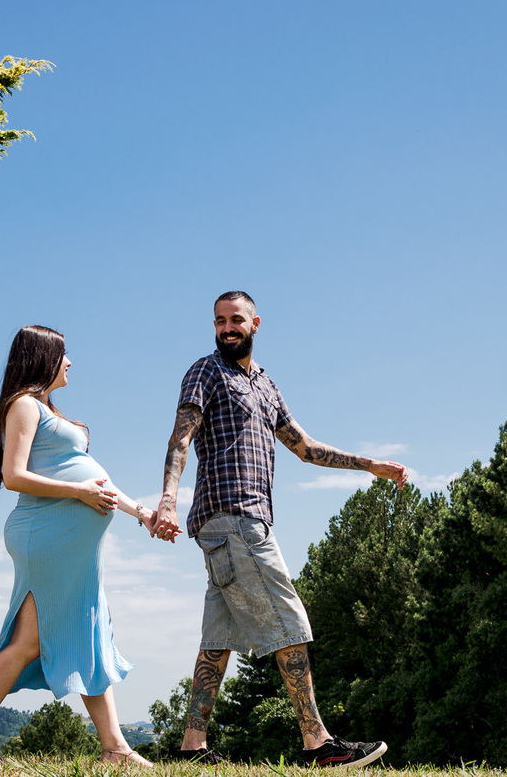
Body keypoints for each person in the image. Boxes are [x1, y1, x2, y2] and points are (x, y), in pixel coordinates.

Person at [152, 291, 408, 768]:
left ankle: (191, 748)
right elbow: (181, 437)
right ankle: (318, 745)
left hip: (237, 526)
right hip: (235, 518)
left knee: (217, 639)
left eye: (236, 319)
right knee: (290, 624)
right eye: (219, 321)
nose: (227, 328)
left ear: (255, 324)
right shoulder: (206, 372)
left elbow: (305, 447)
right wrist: (168, 497)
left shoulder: (266, 386)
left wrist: (368, 464)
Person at [0, 325, 176, 766]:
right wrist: (79, 493)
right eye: (63, 354)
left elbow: (97, 480)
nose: (70, 362)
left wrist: (143, 514)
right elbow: (14, 475)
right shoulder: (24, 405)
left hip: (73, 546)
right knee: (28, 640)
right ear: (42, 358)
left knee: (89, 636)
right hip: (45, 534)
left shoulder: (49, 411)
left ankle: (115, 749)